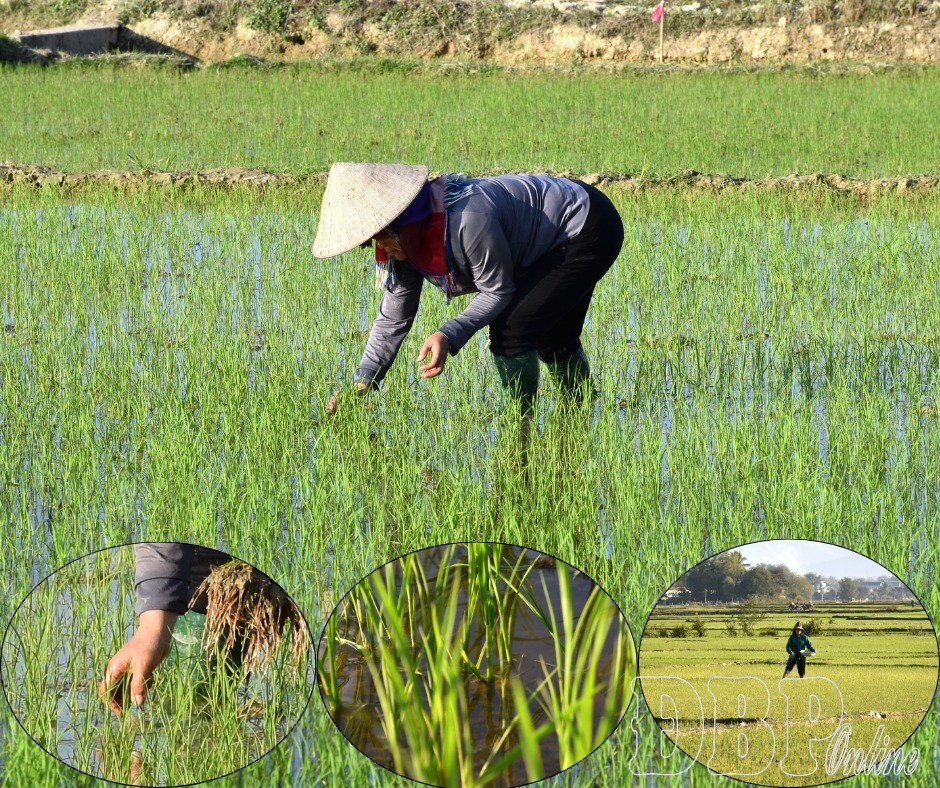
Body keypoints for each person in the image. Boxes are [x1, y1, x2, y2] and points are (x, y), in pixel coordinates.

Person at [311, 163, 624, 417]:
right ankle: (584, 412)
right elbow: (393, 318)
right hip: (559, 227)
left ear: (401, 223)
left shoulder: (467, 220)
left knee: (513, 329)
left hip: (586, 226)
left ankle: (519, 424)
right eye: (372, 243)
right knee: (554, 335)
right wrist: (363, 383)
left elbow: (498, 290)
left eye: (383, 238)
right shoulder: (406, 242)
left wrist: (449, 333)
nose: (381, 249)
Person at [99, 543, 242, 716]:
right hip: (206, 588)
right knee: (191, 709)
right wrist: (151, 630)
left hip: (241, 589)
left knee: (204, 709)